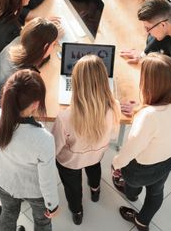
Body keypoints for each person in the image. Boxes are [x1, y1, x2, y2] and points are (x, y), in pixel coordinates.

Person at [0, 17, 58, 220]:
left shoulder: (14, 45)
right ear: (45, 47)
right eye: (54, 44)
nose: (54, 48)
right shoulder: (24, 83)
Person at [112, 53, 171, 231]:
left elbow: (130, 150)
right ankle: (142, 222)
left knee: (131, 185)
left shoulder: (150, 116)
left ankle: (132, 194)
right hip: (169, 160)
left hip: (141, 169)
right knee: (156, 193)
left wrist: (116, 164)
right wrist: (141, 107)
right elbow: (168, 119)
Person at [0, 69, 59, 231]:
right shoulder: (44, 139)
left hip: (5, 182)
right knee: (42, 222)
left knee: (8, 213)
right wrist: (52, 205)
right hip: (35, 191)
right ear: (35, 104)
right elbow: (47, 180)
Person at [51, 55, 120, 225]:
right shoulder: (114, 106)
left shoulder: (65, 117)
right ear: (104, 81)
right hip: (96, 155)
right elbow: (112, 135)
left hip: (71, 161)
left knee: (73, 187)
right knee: (94, 169)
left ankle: (77, 211)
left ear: (76, 83)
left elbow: (55, 147)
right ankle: (95, 190)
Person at [120, 0, 171, 100]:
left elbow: (169, 86)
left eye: (148, 28)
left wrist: (142, 107)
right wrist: (143, 55)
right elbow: (161, 36)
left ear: (163, 24)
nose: (147, 32)